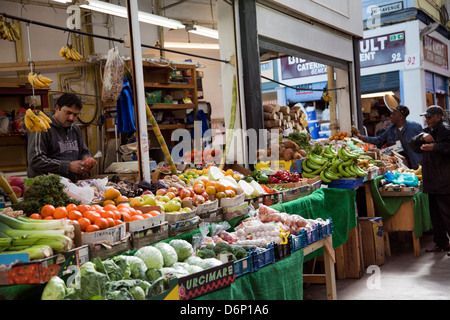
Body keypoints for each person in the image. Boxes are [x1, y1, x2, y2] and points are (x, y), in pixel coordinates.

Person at [27, 93, 96, 182]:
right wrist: (67, 166)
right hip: (44, 186)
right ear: (57, 108)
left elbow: (83, 151)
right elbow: (35, 160)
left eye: (75, 115)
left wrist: (87, 159)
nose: (71, 118)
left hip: (70, 186)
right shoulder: (41, 127)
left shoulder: (75, 129)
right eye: (68, 112)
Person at [409, 105, 450, 252]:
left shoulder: (445, 130)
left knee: (447, 214)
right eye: (425, 117)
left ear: (438, 117)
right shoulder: (428, 131)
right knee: (436, 216)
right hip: (432, 180)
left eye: (429, 117)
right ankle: (442, 243)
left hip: (444, 181)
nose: (426, 120)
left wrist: (435, 147)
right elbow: (412, 145)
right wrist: (421, 136)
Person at [354, 105, 423, 169]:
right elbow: (379, 140)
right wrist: (361, 137)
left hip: (417, 164)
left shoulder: (415, 127)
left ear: (400, 117)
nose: (391, 116)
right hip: (401, 164)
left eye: (393, 114)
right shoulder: (391, 129)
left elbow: (423, 143)